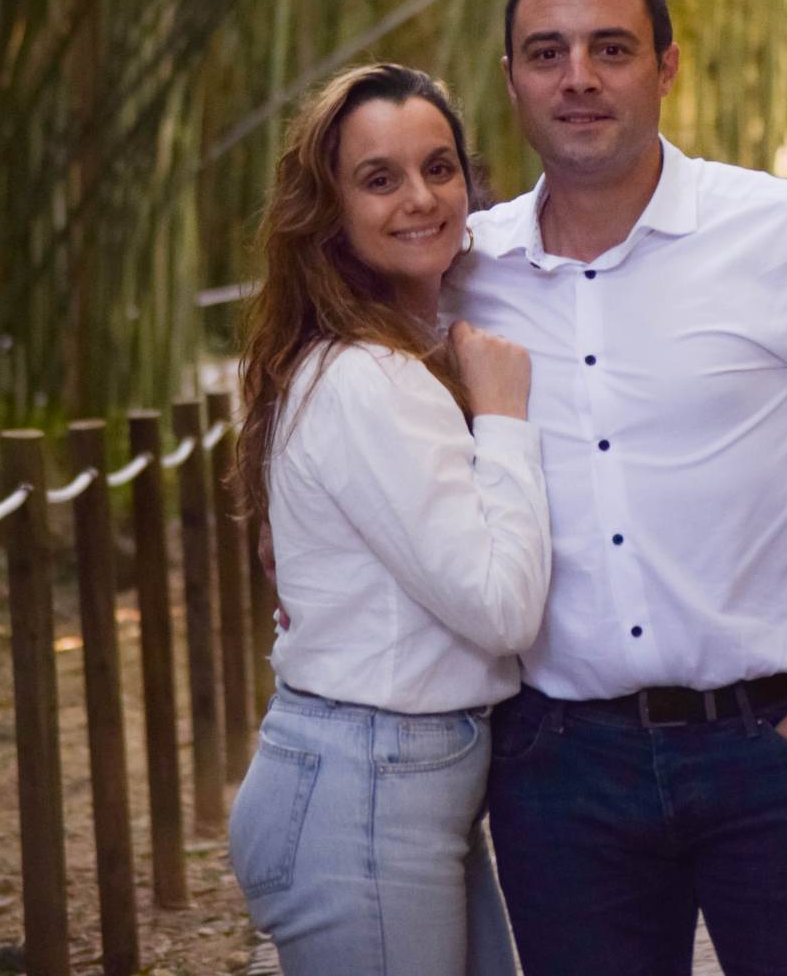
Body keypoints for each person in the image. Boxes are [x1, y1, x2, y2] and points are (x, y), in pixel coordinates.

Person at [439, 0, 787, 976]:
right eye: (546, 52)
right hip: (558, 768)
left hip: (782, 749)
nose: (578, 77)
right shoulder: (461, 273)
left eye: (611, 47)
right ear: (509, 80)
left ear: (668, 65)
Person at [228, 62, 551, 976]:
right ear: (327, 211)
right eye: (380, 178)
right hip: (364, 792)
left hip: (395, 787)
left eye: (439, 167)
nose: (420, 197)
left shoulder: (388, 354)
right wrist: (504, 414)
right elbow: (501, 606)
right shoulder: (371, 378)